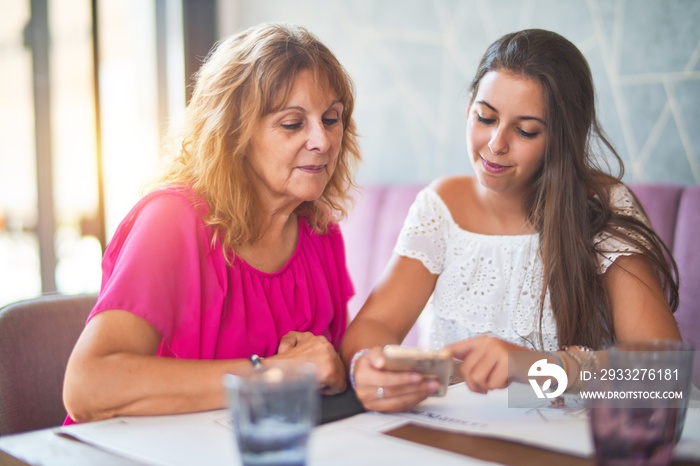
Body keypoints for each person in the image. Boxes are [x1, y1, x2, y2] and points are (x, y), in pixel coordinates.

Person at [340, 28, 681, 412]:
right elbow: (373, 329)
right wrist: (368, 368)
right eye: (485, 117)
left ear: (562, 139)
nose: (496, 144)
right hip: (452, 435)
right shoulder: (441, 206)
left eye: (525, 130)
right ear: (469, 105)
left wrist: (534, 368)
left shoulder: (602, 207)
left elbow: (665, 375)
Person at [63, 22, 361, 423]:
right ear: (233, 133)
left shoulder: (320, 230)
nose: (322, 141)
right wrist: (270, 372)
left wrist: (340, 370)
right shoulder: (171, 221)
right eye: (292, 123)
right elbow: (87, 386)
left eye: (331, 119)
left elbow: (327, 371)